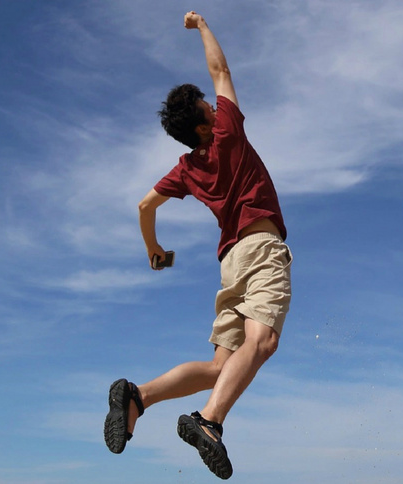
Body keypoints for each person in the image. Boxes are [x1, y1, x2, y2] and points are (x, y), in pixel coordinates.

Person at [103, 10, 292, 480]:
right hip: (261, 249)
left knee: (220, 367)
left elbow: (145, 207)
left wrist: (154, 250)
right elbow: (221, 71)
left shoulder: (187, 167)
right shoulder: (227, 133)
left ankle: (138, 396)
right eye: (208, 106)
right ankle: (209, 422)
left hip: (230, 263)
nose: (214, 103)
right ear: (206, 123)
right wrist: (203, 26)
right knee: (263, 341)